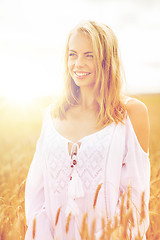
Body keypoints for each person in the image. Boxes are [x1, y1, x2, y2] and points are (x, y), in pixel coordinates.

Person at [25, 21, 150, 240]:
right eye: (72, 55)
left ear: (106, 60)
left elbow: (135, 200)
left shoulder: (131, 113)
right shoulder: (52, 114)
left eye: (89, 55)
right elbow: (36, 196)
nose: (78, 64)